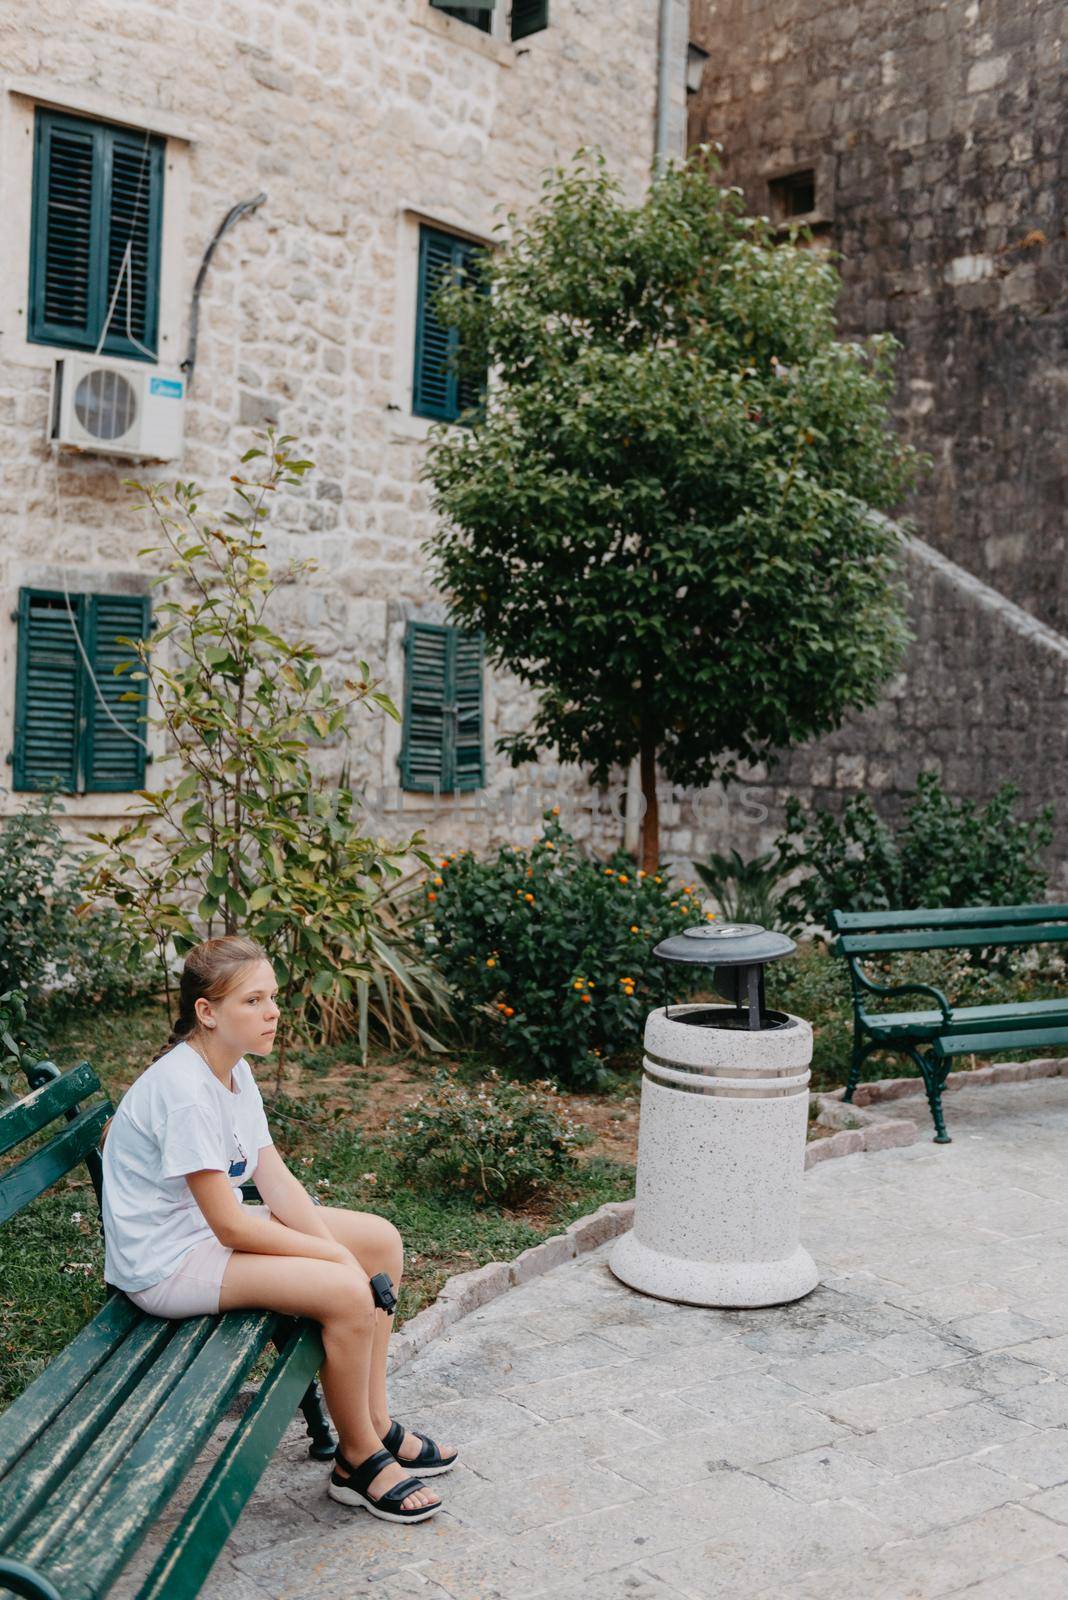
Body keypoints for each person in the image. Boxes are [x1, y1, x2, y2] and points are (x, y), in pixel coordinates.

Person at [100, 934, 456, 1524]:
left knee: (379, 1240)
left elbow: (275, 1179)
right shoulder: (186, 1090)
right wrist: (333, 1261)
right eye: (254, 1001)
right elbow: (232, 1225)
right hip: (167, 1262)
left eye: (273, 998)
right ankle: (358, 1460)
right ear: (207, 1013)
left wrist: (333, 1246)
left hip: (206, 1236)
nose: (273, 1014)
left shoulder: (233, 1069)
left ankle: (375, 1420)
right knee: (346, 1291)